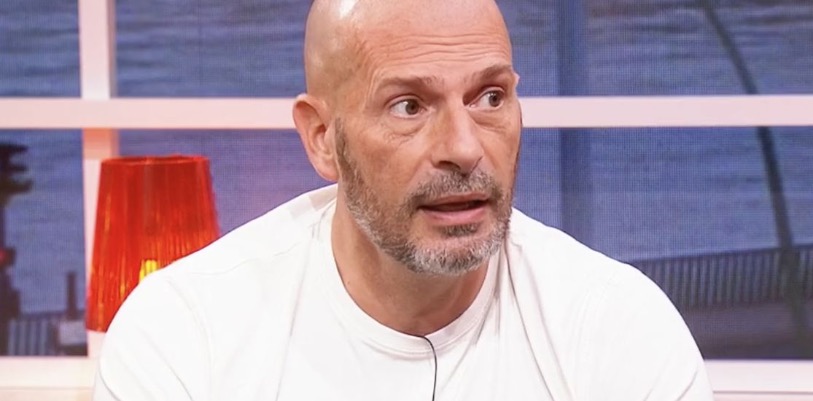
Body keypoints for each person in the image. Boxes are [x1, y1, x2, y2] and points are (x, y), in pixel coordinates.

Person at [93, 0, 713, 399]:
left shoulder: (615, 327)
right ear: (322, 138)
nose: (464, 148)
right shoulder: (185, 334)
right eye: (409, 106)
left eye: (490, 97)